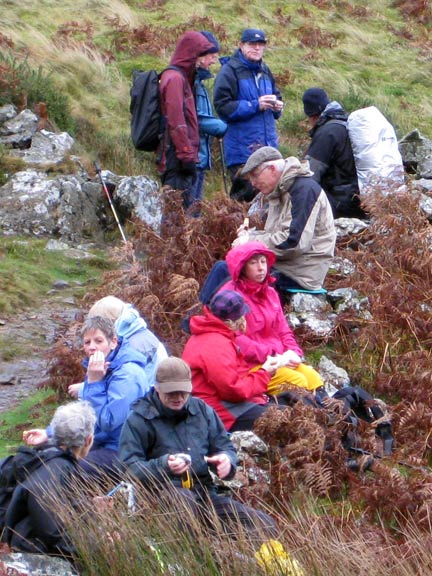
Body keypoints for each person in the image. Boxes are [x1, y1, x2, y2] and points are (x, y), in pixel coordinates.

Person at [118, 357, 302, 573]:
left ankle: (264, 568)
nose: (178, 398)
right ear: (156, 388)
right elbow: (128, 467)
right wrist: (164, 465)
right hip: (161, 497)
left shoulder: (202, 410)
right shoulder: (139, 419)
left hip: (203, 493)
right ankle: (201, 563)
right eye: (171, 393)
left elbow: (223, 445)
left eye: (183, 392)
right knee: (184, 505)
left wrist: (226, 461)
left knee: (264, 525)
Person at [25, 316, 151, 475]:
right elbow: (84, 415)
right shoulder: (100, 368)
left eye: (98, 341)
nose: (92, 347)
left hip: (123, 450)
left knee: (66, 470)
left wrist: (93, 383)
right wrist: (50, 433)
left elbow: (108, 422)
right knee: (42, 457)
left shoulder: (128, 374)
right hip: (98, 442)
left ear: (113, 342)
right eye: (87, 342)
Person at [220, 241, 323, 394]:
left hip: (278, 358)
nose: (261, 268)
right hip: (250, 365)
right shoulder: (230, 296)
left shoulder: (270, 293)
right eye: (253, 263)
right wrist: (274, 355)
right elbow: (235, 339)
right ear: (242, 267)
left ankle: (323, 412)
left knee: (314, 378)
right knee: (296, 382)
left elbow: (283, 330)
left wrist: (294, 352)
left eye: (263, 261)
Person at [233, 146, 336, 294]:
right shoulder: (281, 191)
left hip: (299, 274)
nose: (253, 183)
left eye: (255, 176)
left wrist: (249, 242)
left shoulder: (303, 190)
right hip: (284, 266)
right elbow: (278, 235)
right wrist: (250, 237)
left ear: (273, 168)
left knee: (231, 278)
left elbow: (292, 242)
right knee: (223, 269)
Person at [3, 401, 98, 556]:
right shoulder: (57, 468)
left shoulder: (46, 454)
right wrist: (95, 546)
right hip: (31, 552)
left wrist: (90, 509)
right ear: (89, 439)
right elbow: (53, 532)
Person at [182, 290, 279, 432]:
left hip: (223, 406)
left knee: (289, 403)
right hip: (222, 414)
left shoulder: (213, 334)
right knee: (283, 419)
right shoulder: (216, 344)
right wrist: (264, 374)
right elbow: (233, 391)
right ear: (233, 321)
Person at [213, 28, 283, 202]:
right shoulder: (229, 71)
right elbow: (223, 107)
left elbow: (277, 96)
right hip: (242, 153)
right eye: (252, 44)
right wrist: (255, 105)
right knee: (244, 205)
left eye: (261, 44)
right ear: (241, 45)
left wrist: (277, 107)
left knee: (269, 205)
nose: (257, 48)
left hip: (269, 152)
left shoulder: (266, 70)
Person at [158, 31, 215, 209]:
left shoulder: (182, 78)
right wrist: (187, 156)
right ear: (192, 54)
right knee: (176, 218)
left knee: (181, 217)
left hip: (180, 158)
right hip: (176, 160)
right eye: (202, 54)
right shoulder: (175, 79)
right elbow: (177, 123)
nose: (207, 60)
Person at [302, 87, 366, 219]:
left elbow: (309, 174)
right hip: (361, 197)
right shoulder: (346, 123)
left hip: (340, 203)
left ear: (311, 115)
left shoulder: (327, 133)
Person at [87, 295, 168, 387]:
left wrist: (85, 387)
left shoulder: (132, 346)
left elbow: (124, 387)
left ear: (110, 322)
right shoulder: (135, 331)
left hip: (148, 395)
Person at [189, 31, 227, 213]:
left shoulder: (199, 83)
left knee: (194, 211)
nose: (213, 61)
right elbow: (196, 119)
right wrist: (223, 128)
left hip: (199, 159)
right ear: (200, 55)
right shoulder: (190, 83)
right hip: (191, 159)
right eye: (212, 56)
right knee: (188, 213)